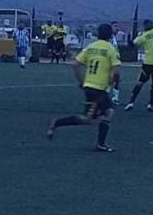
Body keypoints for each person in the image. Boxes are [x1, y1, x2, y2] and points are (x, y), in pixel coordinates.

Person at [46, 23, 120, 152]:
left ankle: (100, 143)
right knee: (89, 118)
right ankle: (57, 123)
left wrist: (81, 81)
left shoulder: (90, 47)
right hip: (99, 88)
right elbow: (116, 71)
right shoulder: (111, 49)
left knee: (107, 113)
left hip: (89, 85)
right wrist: (112, 82)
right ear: (110, 34)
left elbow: (76, 65)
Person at [126, 19, 153, 111]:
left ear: (144, 26)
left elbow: (132, 45)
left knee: (141, 83)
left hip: (148, 63)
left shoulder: (143, 36)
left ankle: (131, 102)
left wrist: (129, 38)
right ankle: (150, 103)